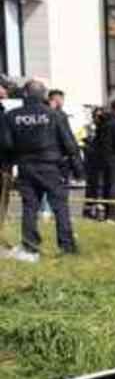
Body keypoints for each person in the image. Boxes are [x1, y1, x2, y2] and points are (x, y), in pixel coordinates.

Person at [0, 80, 83, 260]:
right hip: (51, 166)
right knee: (60, 207)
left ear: (25, 94)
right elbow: (70, 144)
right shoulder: (55, 115)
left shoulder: (10, 116)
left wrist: (9, 165)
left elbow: (6, 144)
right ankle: (67, 246)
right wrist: (78, 170)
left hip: (26, 167)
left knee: (30, 207)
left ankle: (30, 246)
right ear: (44, 95)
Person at [82, 107, 107, 219]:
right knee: (90, 187)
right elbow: (78, 139)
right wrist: (86, 144)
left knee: (100, 187)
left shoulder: (105, 128)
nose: (98, 118)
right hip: (90, 160)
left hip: (102, 161)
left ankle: (99, 210)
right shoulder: (88, 127)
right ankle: (88, 210)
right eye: (96, 116)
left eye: (100, 116)